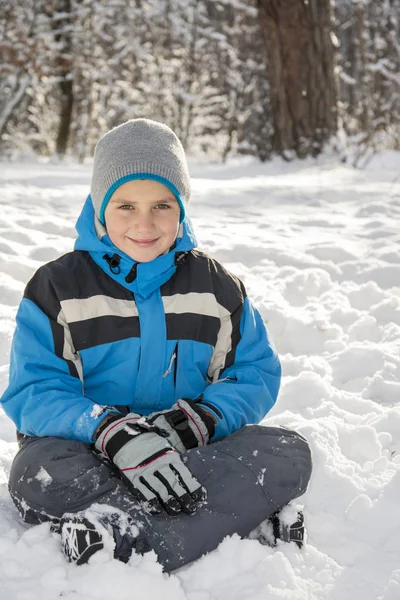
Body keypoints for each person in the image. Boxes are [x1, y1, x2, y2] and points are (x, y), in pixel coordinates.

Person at [0, 118, 312, 570]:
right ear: (99, 207)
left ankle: (118, 532)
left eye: (162, 205)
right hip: (87, 449)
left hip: (186, 449)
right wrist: (112, 433)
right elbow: (35, 390)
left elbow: (254, 372)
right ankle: (234, 515)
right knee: (36, 475)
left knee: (287, 451)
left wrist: (197, 423)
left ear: (182, 208)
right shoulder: (58, 286)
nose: (144, 224)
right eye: (125, 206)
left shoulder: (216, 286)